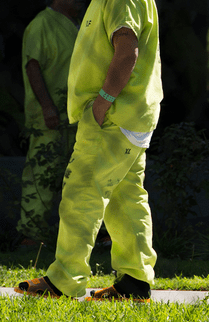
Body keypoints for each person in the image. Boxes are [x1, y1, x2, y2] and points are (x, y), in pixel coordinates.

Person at [15, 0, 163, 302]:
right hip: (130, 114)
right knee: (126, 198)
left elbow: (127, 52)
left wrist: (102, 102)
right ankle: (134, 283)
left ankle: (64, 281)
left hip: (112, 116)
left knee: (81, 191)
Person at [16, 0, 84, 246]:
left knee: (76, 177)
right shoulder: (41, 24)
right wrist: (47, 106)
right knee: (42, 172)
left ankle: (73, 237)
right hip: (49, 118)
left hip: (74, 116)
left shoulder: (77, 24)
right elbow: (32, 66)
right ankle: (31, 236)